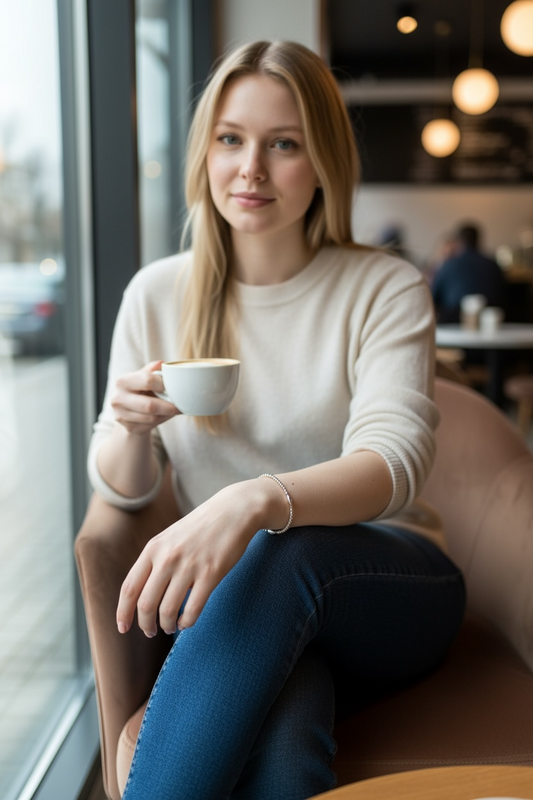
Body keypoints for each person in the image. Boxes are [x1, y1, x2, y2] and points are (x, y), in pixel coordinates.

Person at [88, 40, 466, 800]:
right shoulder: (155, 294)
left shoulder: (382, 286)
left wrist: (253, 499)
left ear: (321, 159)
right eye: (230, 139)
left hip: (388, 589)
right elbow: (123, 494)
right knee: (285, 741)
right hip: (250, 616)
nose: (250, 168)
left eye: (282, 144)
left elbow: (394, 465)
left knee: (277, 552)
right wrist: (128, 428)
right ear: (204, 153)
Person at [431, 223, 506, 323]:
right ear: (478, 240)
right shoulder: (493, 264)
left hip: (453, 323)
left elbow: (433, 297)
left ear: (459, 241)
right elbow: (503, 295)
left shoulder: (448, 265)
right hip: (488, 322)